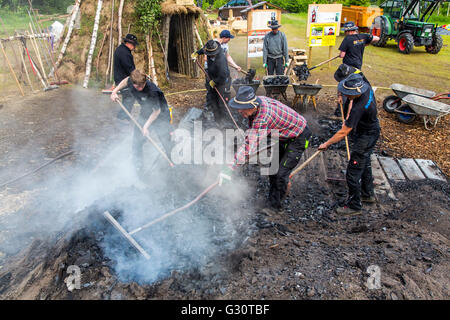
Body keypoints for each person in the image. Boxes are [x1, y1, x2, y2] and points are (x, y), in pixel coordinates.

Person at [219, 86, 312, 214]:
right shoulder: (258, 103)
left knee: (280, 174)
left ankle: (275, 207)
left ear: (252, 105)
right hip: (281, 135)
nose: (239, 111)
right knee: (273, 170)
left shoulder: (262, 117)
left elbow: (250, 144)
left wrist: (230, 167)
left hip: (298, 136)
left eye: (242, 108)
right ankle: (275, 197)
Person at [319, 74, 380, 215]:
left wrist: (326, 144)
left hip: (366, 135)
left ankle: (354, 206)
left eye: (347, 93)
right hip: (371, 129)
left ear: (355, 92)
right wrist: (340, 94)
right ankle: (367, 194)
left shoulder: (359, 108)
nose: (346, 94)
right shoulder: (365, 84)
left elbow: (343, 133)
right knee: (365, 163)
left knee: (353, 171)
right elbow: (353, 74)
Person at [110, 69, 173, 171]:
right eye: (137, 86)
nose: (140, 88)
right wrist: (115, 91)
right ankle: (138, 164)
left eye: (142, 85)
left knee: (165, 139)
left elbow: (156, 111)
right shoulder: (131, 81)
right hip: (145, 112)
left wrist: (146, 126)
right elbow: (126, 80)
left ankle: (174, 163)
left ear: (145, 81)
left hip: (161, 115)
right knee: (137, 140)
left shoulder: (152, 91)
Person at [191, 40, 231, 124]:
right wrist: (197, 53)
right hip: (212, 78)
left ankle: (223, 121)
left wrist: (215, 82)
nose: (210, 55)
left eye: (211, 54)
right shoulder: (209, 50)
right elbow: (203, 50)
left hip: (221, 82)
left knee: (220, 102)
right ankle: (217, 120)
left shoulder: (221, 60)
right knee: (213, 101)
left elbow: (223, 76)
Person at [113, 33, 138, 120]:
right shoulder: (125, 53)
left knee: (128, 98)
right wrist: (137, 76)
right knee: (129, 98)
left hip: (120, 78)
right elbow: (130, 69)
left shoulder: (121, 49)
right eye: (134, 45)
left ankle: (125, 117)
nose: (134, 47)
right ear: (130, 44)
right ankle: (121, 118)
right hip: (123, 80)